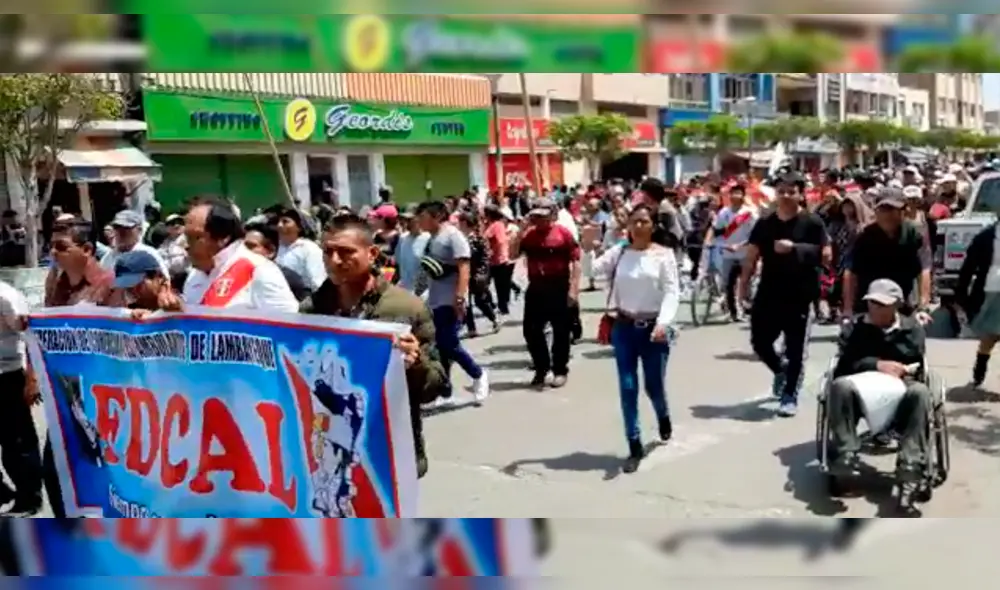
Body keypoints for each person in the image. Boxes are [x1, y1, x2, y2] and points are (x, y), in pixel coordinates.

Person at [302, 215, 447, 478]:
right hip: (329, 450)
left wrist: (415, 364)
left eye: (346, 252)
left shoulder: (407, 308)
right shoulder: (311, 311)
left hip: (390, 450)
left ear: (372, 253)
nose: (334, 261)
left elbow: (434, 387)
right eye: (328, 252)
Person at [828, 279, 930, 515]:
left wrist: (903, 369)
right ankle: (845, 454)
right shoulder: (854, 329)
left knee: (921, 392)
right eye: (872, 302)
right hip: (860, 391)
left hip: (900, 390)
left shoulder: (912, 329)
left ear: (896, 305)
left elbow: (919, 366)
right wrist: (876, 364)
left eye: (882, 304)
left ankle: (910, 469)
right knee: (839, 386)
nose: (876, 308)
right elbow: (843, 367)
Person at [593, 204, 680, 473]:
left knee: (653, 386)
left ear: (653, 225)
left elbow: (671, 291)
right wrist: (588, 246)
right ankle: (634, 444)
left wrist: (663, 323)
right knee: (627, 387)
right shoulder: (619, 252)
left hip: (654, 330)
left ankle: (663, 416)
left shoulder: (664, 255)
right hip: (624, 328)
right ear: (628, 225)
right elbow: (594, 271)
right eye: (635, 221)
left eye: (644, 221)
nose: (639, 226)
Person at [740, 172, 829, 417]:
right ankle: (780, 369)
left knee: (795, 347)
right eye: (782, 191)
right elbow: (751, 255)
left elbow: (826, 254)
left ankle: (790, 394)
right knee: (759, 341)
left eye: (792, 191)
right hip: (769, 290)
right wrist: (743, 285)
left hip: (800, 293)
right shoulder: (765, 222)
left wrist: (796, 249)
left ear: (801, 194)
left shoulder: (812, 222)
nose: (786, 195)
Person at [416, 201, 489, 404]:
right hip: (435, 299)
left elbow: (464, 267)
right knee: (439, 346)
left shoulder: (453, 236)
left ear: (437, 216)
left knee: (449, 343)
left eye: (423, 216)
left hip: (451, 300)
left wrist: (460, 298)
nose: (420, 221)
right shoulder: (430, 239)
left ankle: (478, 374)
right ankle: (444, 390)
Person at [182, 198, 299, 313]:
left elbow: (287, 326)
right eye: (186, 237)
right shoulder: (194, 276)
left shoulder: (259, 270)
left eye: (194, 237)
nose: (186, 245)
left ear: (222, 237)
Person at [515, 198, 581, 389]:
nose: (538, 220)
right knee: (531, 331)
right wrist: (520, 231)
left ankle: (560, 370)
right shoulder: (529, 236)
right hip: (536, 287)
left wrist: (573, 290)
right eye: (535, 216)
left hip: (559, 286)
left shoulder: (563, 234)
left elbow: (576, 262)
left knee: (561, 331)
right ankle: (541, 368)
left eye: (542, 216)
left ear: (553, 215)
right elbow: (512, 254)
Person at [842, 187, 932, 322]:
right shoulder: (864, 237)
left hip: (902, 304)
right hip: (869, 305)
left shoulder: (914, 235)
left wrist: (923, 306)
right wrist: (847, 309)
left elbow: (924, 270)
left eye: (893, 210)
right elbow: (850, 273)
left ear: (904, 211)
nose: (887, 215)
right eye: (883, 210)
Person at [0, 279, 43, 515]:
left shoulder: (5, 297)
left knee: (17, 442)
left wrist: (32, 378)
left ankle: (29, 498)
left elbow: (30, 336)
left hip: (8, 374)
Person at [957, 221, 1000, 387]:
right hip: (991, 290)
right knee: (990, 335)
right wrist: (961, 292)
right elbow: (969, 266)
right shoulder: (985, 237)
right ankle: (979, 370)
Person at [706, 183, 756, 322]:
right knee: (728, 284)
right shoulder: (724, 212)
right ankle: (733, 312)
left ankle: (746, 307)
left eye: (738, 193)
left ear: (743, 196)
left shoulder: (749, 212)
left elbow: (754, 235)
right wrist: (710, 241)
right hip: (728, 252)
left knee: (745, 283)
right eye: (733, 193)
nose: (735, 196)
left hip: (745, 252)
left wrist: (740, 245)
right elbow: (716, 229)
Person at [242, 223, 313, 302]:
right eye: (240, 246)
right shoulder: (232, 275)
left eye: (250, 246)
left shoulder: (290, 281)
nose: (242, 250)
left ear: (270, 251)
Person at [456, 210, 499, 337]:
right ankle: (471, 328)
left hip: (476, 274)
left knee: (480, 300)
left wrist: (482, 273)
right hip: (464, 274)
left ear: (465, 223)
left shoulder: (478, 238)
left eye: (460, 222)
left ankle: (494, 318)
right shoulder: (459, 239)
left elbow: (486, 257)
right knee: (466, 302)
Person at [99, 210, 171, 278]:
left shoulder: (149, 254)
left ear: (139, 230)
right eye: (117, 227)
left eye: (126, 228)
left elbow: (164, 282)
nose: (121, 232)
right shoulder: (108, 257)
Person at [111, 249, 184, 314]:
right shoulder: (128, 311)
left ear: (158, 277)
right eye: (127, 287)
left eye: (138, 285)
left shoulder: (179, 303)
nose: (133, 292)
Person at [275, 206, 327, 291]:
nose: (279, 225)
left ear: (299, 227)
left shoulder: (309, 249)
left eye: (285, 221)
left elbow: (317, 283)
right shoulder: (277, 248)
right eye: (278, 221)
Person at [482, 205, 514, 317]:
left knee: (499, 285)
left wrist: (492, 250)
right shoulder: (489, 225)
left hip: (499, 260)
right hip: (491, 260)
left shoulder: (497, 225)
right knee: (487, 285)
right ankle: (495, 305)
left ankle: (502, 307)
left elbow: (500, 241)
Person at [394, 205, 430, 295]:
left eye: (410, 220)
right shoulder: (402, 238)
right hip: (404, 292)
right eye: (404, 219)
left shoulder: (428, 239)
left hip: (423, 294)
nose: (406, 223)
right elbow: (399, 265)